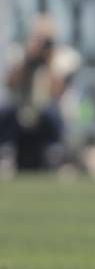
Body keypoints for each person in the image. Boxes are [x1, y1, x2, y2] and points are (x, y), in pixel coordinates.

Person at [0, 15, 82, 170]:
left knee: (51, 112)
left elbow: (57, 92)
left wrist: (48, 60)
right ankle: (5, 154)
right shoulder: (18, 53)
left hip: (50, 112)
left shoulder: (64, 56)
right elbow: (9, 84)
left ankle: (56, 154)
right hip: (22, 111)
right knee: (5, 111)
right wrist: (28, 59)